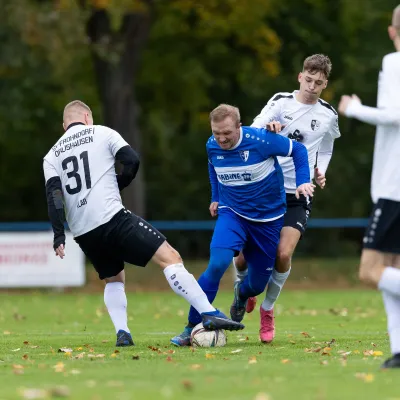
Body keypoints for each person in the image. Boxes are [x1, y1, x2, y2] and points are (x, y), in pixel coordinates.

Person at [43, 100, 245, 347]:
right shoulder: (102, 132)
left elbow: (54, 197)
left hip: (84, 231)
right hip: (112, 218)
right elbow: (132, 160)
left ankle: (123, 333)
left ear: (65, 126)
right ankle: (209, 312)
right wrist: (119, 183)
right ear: (87, 118)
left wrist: (58, 235)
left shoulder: (51, 155)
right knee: (170, 257)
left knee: (114, 279)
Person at [170, 104, 315, 346]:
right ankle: (190, 327)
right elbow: (212, 166)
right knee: (216, 265)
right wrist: (216, 196)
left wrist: (302, 182)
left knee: (256, 285)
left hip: (267, 221)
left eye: (227, 132)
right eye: (216, 133)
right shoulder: (211, 145)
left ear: (240, 126)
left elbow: (298, 150)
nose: (221, 138)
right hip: (232, 214)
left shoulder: (261, 140)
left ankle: (242, 293)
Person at [233, 54, 341, 343]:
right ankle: (242, 290)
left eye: (319, 83)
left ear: (325, 83)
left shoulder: (328, 114)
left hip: (298, 193)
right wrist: (269, 132)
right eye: (309, 80)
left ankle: (267, 310)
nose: (313, 86)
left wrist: (321, 171)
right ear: (300, 76)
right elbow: (252, 131)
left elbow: (327, 148)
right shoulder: (280, 102)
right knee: (242, 257)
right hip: (264, 188)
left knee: (282, 255)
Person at [338, 5, 400, 369]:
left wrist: (355, 109)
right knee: (393, 268)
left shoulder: (394, 60)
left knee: (370, 271)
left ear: (392, 32)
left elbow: (395, 114)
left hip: (394, 186)